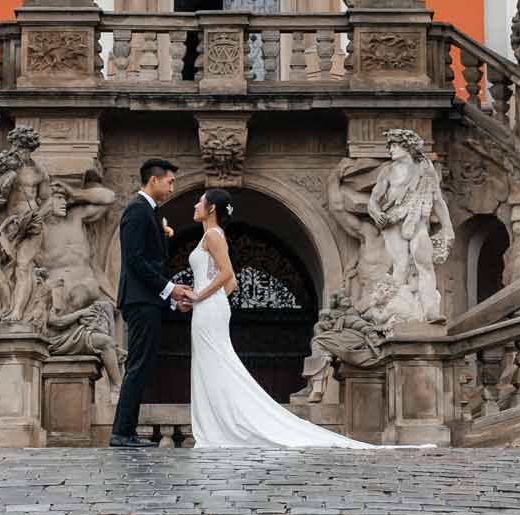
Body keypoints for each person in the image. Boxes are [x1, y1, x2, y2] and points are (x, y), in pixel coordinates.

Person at [184, 188, 409, 450]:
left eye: (200, 203)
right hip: (208, 308)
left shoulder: (213, 234)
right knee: (212, 363)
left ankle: (221, 425)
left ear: (211, 209)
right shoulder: (210, 236)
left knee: (217, 362)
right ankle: (218, 423)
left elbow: (228, 274)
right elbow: (230, 282)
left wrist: (201, 296)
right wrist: (205, 298)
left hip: (208, 309)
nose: (195, 206)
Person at [110, 158, 191, 447]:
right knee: (138, 365)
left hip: (147, 299)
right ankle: (122, 433)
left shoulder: (151, 212)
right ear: (153, 180)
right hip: (138, 300)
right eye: (169, 181)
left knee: (141, 365)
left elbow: (150, 265)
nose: (172, 187)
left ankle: (126, 432)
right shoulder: (136, 210)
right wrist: (170, 289)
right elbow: (135, 260)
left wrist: (170, 300)